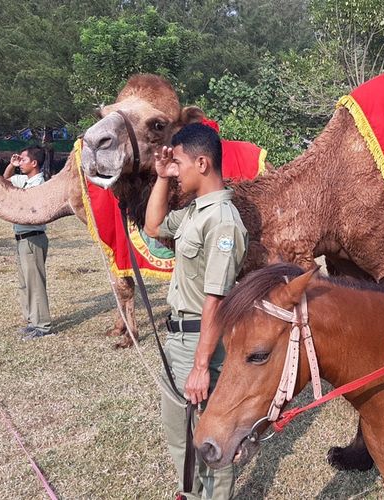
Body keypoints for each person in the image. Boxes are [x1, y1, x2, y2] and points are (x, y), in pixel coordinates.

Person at [144, 123, 248, 500]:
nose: (176, 170)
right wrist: (161, 178)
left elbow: (216, 299)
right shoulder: (195, 212)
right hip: (179, 337)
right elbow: (153, 226)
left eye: (180, 163)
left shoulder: (222, 220)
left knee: (210, 438)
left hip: (200, 341)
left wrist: (202, 365)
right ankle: (188, 494)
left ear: (202, 163)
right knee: (179, 433)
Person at [0, 146, 54, 339]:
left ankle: (42, 325)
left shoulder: (38, 184)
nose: (20, 162)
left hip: (33, 238)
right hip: (22, 240)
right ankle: (31, 320)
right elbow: (3, 182)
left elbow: (20, 207)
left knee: (35, 283)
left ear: (34, 163)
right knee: (25, 283)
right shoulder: (23, 180)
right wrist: (11, 165)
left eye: (23, 159)